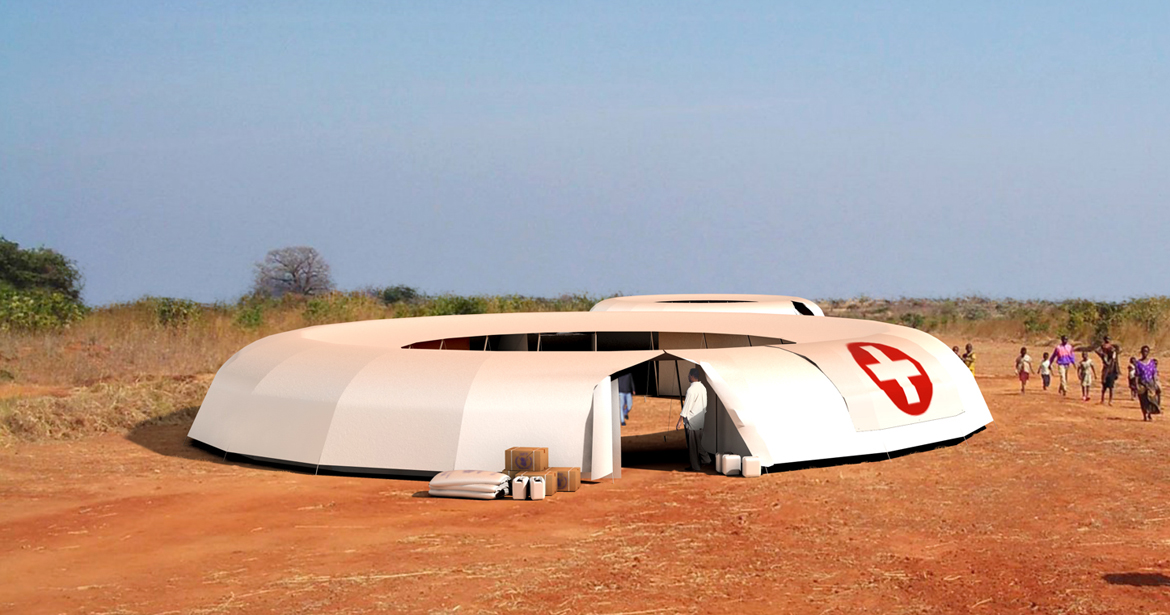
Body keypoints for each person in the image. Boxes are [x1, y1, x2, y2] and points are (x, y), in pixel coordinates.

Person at [676, 367, 711, 471]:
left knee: (692, 446)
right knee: (698, 443)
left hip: (693, 422)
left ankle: (695, 466)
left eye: (688, 375)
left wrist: (679, 421)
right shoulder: (703, 388)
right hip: (701, 420)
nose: (688, 376)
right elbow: (705, 405)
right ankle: (706, 459)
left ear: (692, 376)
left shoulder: (691, 390)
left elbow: (686, 407)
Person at [1135, 346, 1161, 422]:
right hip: (1142, 383)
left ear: (1148, 352)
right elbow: (1137, 375)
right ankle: (1145, 415)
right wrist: (1136, 384)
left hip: (1150, 383)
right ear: (1141, 352)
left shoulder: (1152, 363)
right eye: (1143, 351)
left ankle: (1149, 413)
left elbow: (1154, 373)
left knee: (1150, 400)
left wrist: (1156, 382)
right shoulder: (1138, 363)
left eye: (1146, 351)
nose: (1145, 353)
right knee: (1143, 400)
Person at [1098, 341, 1120, 405]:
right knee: (1104, 388)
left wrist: (1116, 373)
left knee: (1111, 388)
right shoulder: (1105, 357)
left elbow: (1119, 349)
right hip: (1106, 373)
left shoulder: (1113, 359)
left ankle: (1110, 400)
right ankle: (1103, 400)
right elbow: (1097, 350)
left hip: (1111, 373)